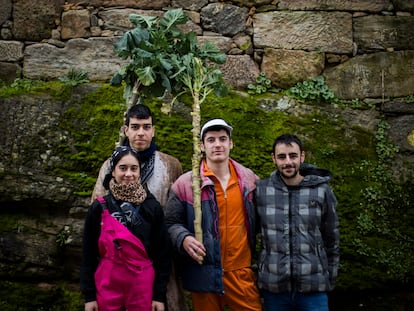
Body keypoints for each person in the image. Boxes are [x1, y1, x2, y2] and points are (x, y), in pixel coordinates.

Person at [91, 104, 187, 311]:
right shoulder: (109, 166)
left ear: (153, 130)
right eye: (135, 127)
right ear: (126, 130)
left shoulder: (171, 165)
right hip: (118, 260)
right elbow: (97, 213)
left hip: (161, 255)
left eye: (146, 127)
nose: (141, 133)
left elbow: (179, 213)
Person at [165, 118, 262, 311]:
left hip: (240, 270)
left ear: (231, 143)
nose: (217, 144)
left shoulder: (250, 181)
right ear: (202, 145)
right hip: (203, 272)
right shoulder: (185, 184)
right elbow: (170, 223)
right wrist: (183, 239)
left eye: (222, 139)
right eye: (211, 140)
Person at [80, 146, 171, 311]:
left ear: (139, 172)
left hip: (142, 285)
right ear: (113, 171)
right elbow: (88, 254)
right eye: (123, 168)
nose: (128, 174)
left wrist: (158, 295)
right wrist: (89, 296)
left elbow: (162, 254)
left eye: (134, 169)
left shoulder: (152, 207)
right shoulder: (99, 207)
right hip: (107, 283)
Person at [255, 134, 339, 311]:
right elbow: (249, 234)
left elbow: (332, 238)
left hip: (313, 288)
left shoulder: (321, 191)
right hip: (274, 289)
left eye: (293, 156)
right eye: (281, 157)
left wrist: (329, 277)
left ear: (302, 156)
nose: (288, 162)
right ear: (273, 159)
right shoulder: (261, 191)